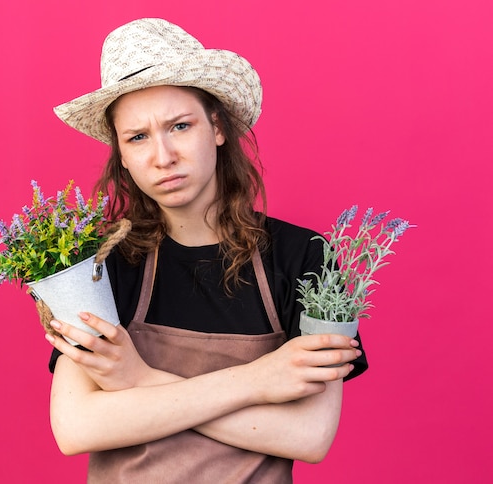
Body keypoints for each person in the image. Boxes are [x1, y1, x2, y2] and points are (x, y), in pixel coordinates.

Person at [44, 18, 367, 483]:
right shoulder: (98, 265)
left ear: (216, 127)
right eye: (138, 137)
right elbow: (76, 427)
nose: (162, 155)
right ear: (122, 153)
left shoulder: (307, 259)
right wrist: (258, 380)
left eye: (179, 125)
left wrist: (140, 382)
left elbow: (310, 435)